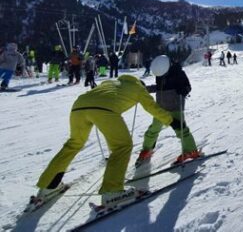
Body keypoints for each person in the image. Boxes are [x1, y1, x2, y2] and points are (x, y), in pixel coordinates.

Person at [32, 75, 174, 208]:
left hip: (79, 105)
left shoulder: (111, 82)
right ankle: (112, 192)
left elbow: (101, 95)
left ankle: (48, 186)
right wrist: (171, 120)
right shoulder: (138, 88)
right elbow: (152, 108)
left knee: (73, 143)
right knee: (122, 147)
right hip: (104, 108)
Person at [136, 55, 200, 166]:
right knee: (152, 131)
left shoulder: (179, 73)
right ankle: (147, 149)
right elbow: (160, 87)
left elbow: (188, 87)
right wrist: (146, 89)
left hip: (175, 107)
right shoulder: (160, 73)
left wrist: (183, 90)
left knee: (181, 130)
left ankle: (191, 151)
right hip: (160, 109)